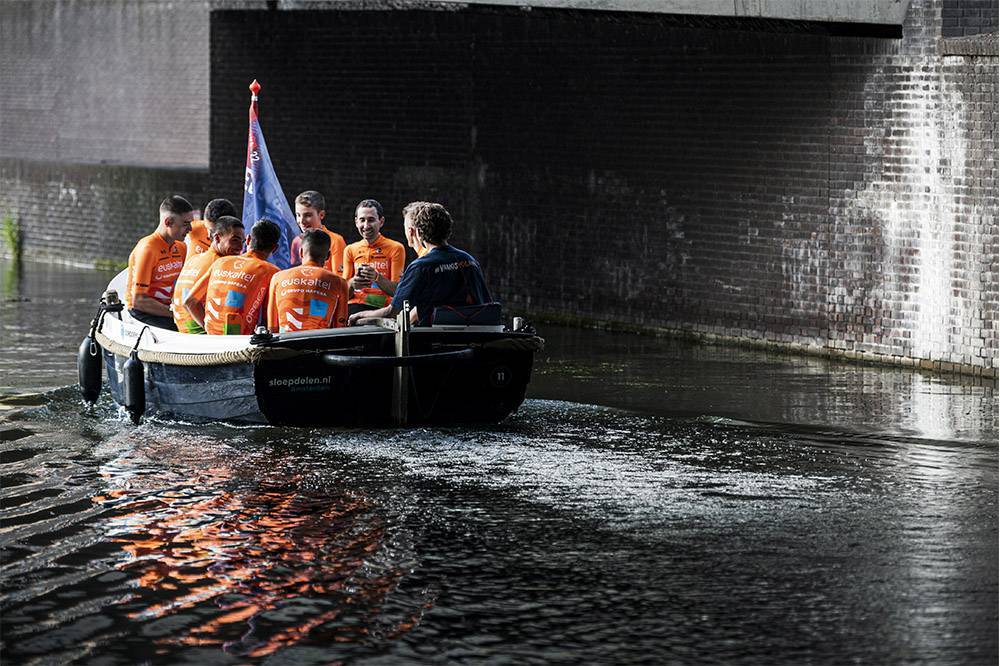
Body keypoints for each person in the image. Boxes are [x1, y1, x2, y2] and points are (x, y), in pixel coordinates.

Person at [349, 203, 492, 327]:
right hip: (475, 333)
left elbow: (393, 312)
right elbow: (485, 302)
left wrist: (362, 315)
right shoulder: (469, 260)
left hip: (433, 339)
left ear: (415, 231)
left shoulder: (420, 267)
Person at [184, 219, 280, 335]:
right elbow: (269, 320)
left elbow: (189, 302)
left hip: (210, 341)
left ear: (248, 240)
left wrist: (210, 329)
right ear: (274, 248)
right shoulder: (273, 272)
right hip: (239, 343)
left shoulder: (221, 262)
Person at [125, 195, 194, 330]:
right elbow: (139, 302)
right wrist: (177, 313)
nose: (190, 229)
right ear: (168, 222)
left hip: (168, 311)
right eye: (186, 224)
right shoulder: (148, 249)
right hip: (143, 313)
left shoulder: (181, 247)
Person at [172, 216, 246, 334]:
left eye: (242, 242)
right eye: (235, 240)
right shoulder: (220, 264)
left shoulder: (194, 258)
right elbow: (190, 303)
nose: (241, 248)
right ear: (217, 238)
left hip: (182, 330)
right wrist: (210, 332)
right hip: (200, 334)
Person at [267, 228, 349, 333]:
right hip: (318, 346)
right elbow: (340, 327)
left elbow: (272, 328)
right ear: (328, 256)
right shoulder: (340, 282)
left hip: (284, 345)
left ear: (301, 252)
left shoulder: (277, 278)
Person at [342, 198, 405, 316]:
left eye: (371, 220)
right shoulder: (350, 249)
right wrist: (352, 283)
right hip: (354, 306)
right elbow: (343, 293)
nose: (366, 226)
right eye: (362, 220)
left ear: (381, 222)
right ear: (356, 222)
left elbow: (397, 291)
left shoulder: (396, 248)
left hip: (381, 309)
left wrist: (377, 277)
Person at [288, 191, 347, 275]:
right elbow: (293, 275)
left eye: (307, 215)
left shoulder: (336, 241)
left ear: (321, 215)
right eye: (298, 215)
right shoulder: (297, 241)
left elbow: (339, 279)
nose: (301, 221)